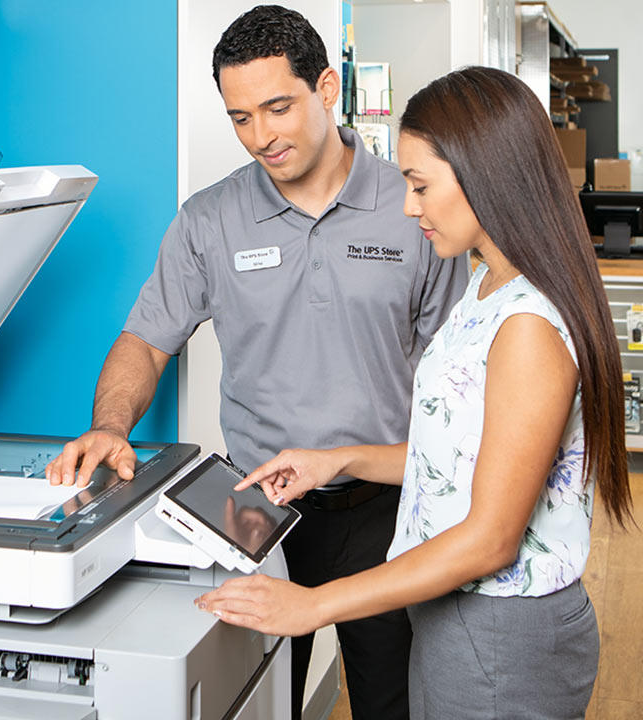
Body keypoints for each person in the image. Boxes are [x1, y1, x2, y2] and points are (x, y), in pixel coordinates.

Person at [46, 6, 468, 719]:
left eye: (278, 108)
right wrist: (111, 424)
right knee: (254, 703)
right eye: (240, 117)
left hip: (388, 512)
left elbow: (454, 375)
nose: (261, 137)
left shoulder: (413, 208)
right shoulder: (209, 220)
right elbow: (146, 341)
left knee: (392, 703)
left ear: (327, 88)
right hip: (255, 510)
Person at [196, 66, 634, 720]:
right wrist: (339, 459)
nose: (408, 206)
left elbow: (490, 539)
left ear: (488, 175)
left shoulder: (527, 328)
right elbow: (462, 460)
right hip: (455, 617)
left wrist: (315, 605)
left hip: (500, 637)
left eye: (421, 184)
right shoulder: (487, 288)